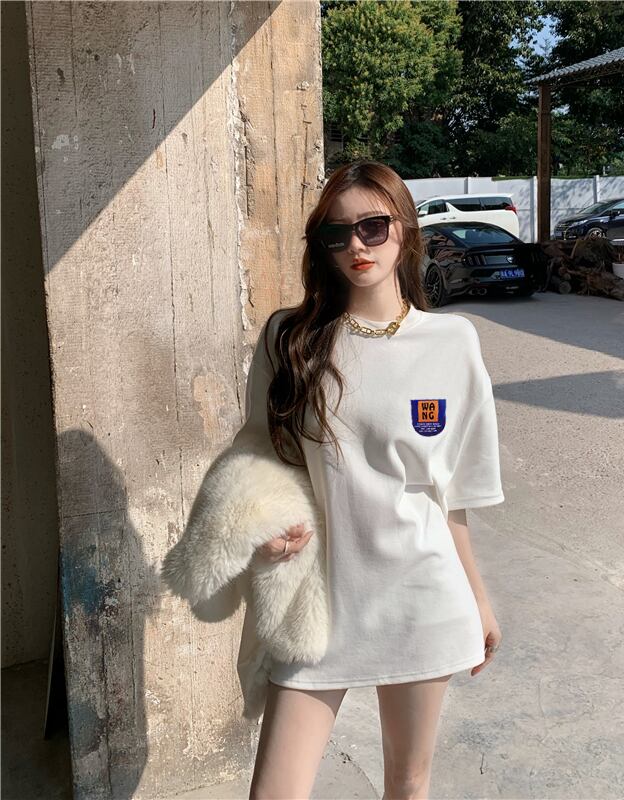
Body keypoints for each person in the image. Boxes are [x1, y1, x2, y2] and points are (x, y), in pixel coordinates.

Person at [242, 159, 505, 800]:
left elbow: (451, 496)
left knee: (407, 785)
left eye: (373, 226)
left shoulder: (453, 341)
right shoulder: (290, 338)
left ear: (405, 229)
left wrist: (478, 598)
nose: (356, 245)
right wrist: (262, 525)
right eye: (337, 233)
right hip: (318, 600)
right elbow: (258, 461)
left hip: (420, 593)